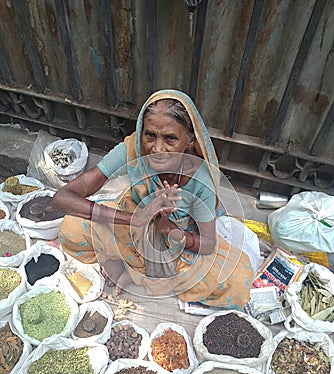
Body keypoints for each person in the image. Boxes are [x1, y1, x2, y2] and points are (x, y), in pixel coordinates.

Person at [52, 89, 253, 308]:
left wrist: (166, 228)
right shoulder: (133, 149)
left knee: (235, 280)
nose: (157, 149)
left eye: (170, 138)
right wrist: (136, 218)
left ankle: (132, 269)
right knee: (71, 228)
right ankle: (136, 268)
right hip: (133, 226)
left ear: (189, 140)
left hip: (178, 243)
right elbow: (62, 198)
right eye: (150, 135)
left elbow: (207, 244)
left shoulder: (200, 179)